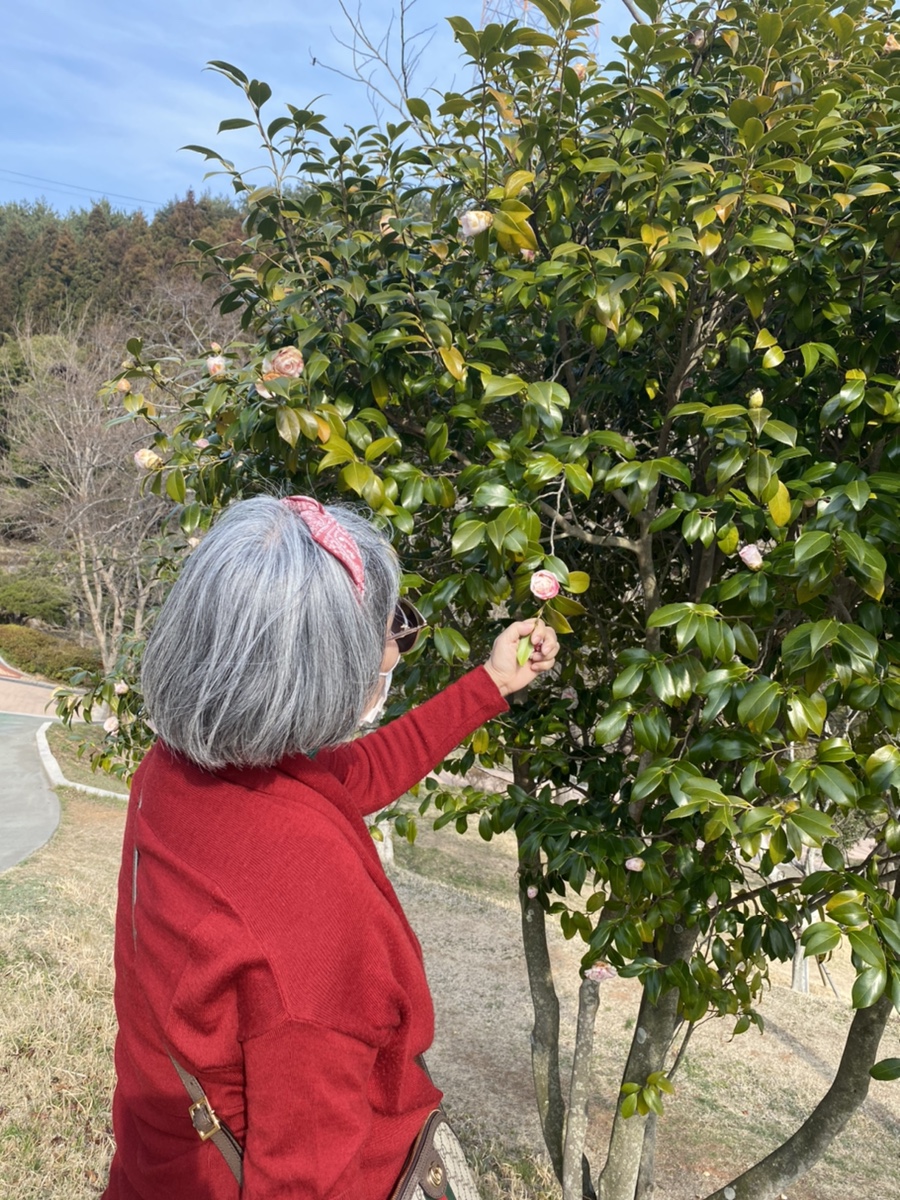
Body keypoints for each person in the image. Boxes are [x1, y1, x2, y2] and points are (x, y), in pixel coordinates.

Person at [104, 493, 558, 1199]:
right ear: (322, 665)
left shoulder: (176, 772)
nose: (397, 647)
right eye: (391, 629)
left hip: (162, 1161)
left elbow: (354, 776)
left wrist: (491, 684)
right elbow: (307, 1174)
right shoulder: (313, 902)